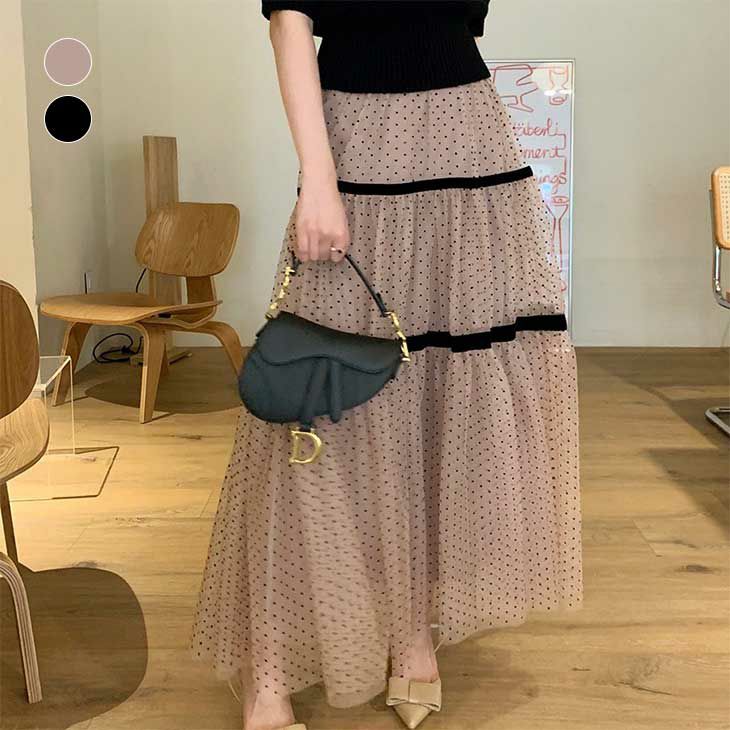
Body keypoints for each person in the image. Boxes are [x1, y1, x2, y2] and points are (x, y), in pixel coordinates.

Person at [191, 2, 584, 729]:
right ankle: (267, 666)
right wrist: (318, 176)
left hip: (468, 142)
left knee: (438, 395)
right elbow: (289, 22)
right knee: (315, 404)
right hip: (358, 142)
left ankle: (413, 633)